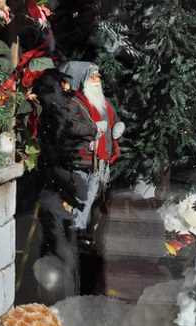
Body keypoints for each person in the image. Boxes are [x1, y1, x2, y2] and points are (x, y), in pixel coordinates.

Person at [59, 61, 124, 238]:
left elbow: (114, 118)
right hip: (82, 160)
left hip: (100, 161)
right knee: (80, 197)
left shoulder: (105, 102)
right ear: (82, 80)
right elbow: (72, 127)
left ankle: (80, 230)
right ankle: (74, 231)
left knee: (89, 198)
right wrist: (94, 129)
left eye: (97, 76)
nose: (96, 80)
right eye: (92, 77)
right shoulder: (74, 103)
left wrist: (118, 127)